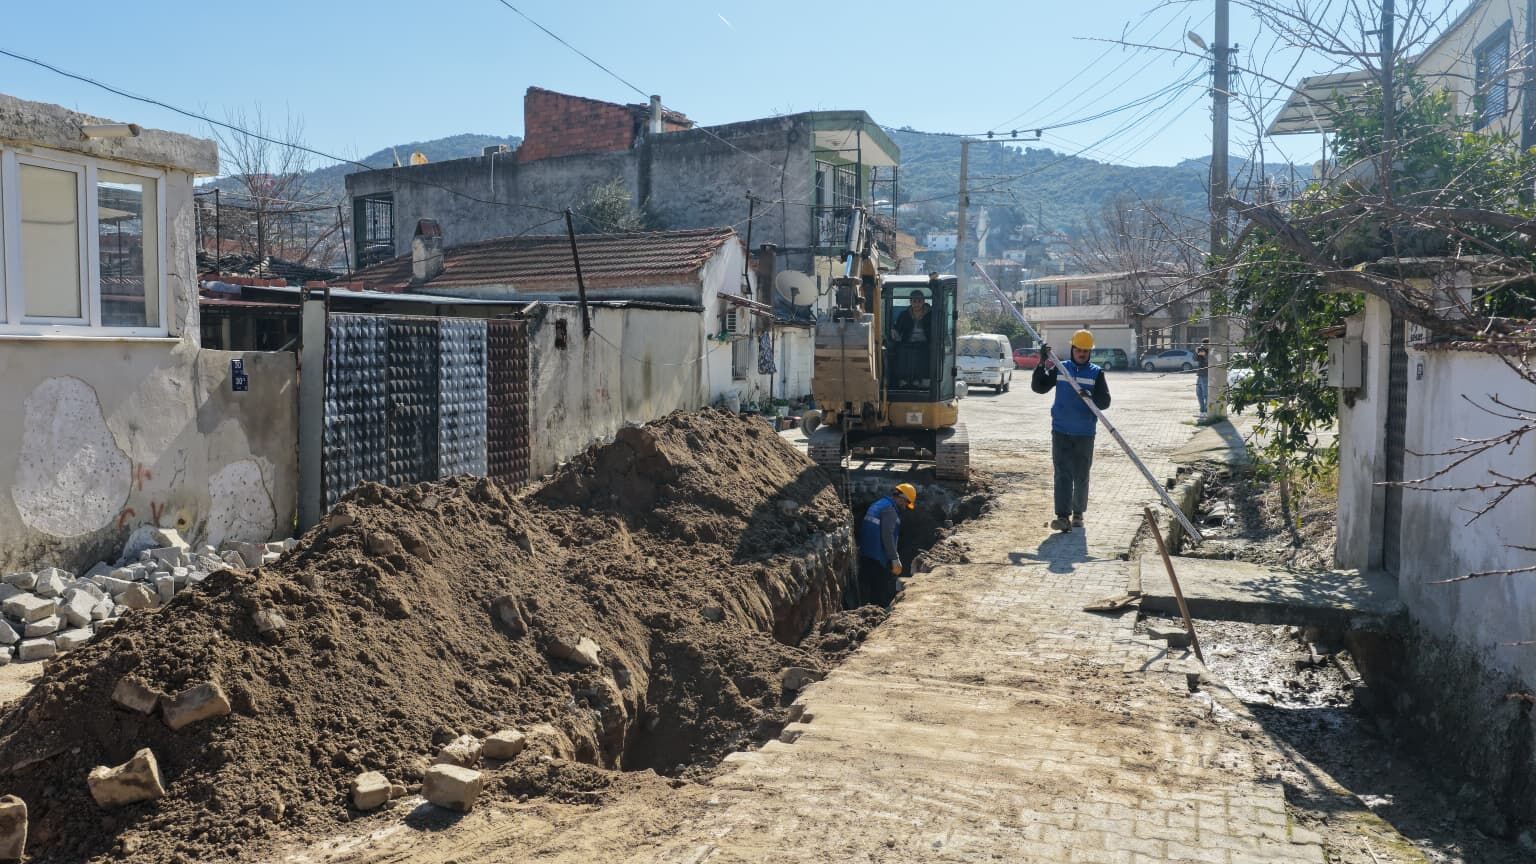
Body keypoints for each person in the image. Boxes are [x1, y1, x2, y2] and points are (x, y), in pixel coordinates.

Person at [1031, 330, 1112, 532]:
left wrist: (1090, 397)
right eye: (1079, 350)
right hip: (1061, 431)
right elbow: (1039, 387)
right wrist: (1041, 364)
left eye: (1085, 350)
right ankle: (1062, 516)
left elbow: (1105, 402)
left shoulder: (1096, 373)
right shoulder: (1061, 369)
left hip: (1084, 433)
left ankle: (1078, 514)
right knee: (1062, 474)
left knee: (1081, 475)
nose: (1082, 353)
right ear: (1072, 349)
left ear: (1089, 352)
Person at [855, 483, 917, 607]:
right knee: (879, 591)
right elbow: (887, 536)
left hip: (866, 552)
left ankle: (865, 608)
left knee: (868, 587)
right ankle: (878, 613)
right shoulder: (890, 511)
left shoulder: (880, 503)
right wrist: (894, 558)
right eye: (906, 503)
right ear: (901, 497)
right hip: (877, 556)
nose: (905, 507)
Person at [890, 289, 933, 387]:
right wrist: (894, 332)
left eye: (919, 301)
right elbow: (897, 329)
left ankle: (922, 380)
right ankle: (904, 380)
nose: (917, 304)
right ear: (910, 302)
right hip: (908, 343)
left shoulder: (931, 315)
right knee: (900, 352)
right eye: (914, 301)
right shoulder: (904, 315)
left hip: (925, 344)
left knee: (925, 354)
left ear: (923, 301)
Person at [1194, 338, 1210, 415]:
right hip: (1200, 375)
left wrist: (1205, 355)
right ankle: (1202, 410)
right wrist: (1196, 353)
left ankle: (1206, 411)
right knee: (1198, 393)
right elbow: (1195, 359)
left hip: (1206, 375)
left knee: (1205, 394)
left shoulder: (1211, 352)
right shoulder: (1201, 351)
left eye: (1205, 345)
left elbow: (1208, 361)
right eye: (1203, 345)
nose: (1203, 346)